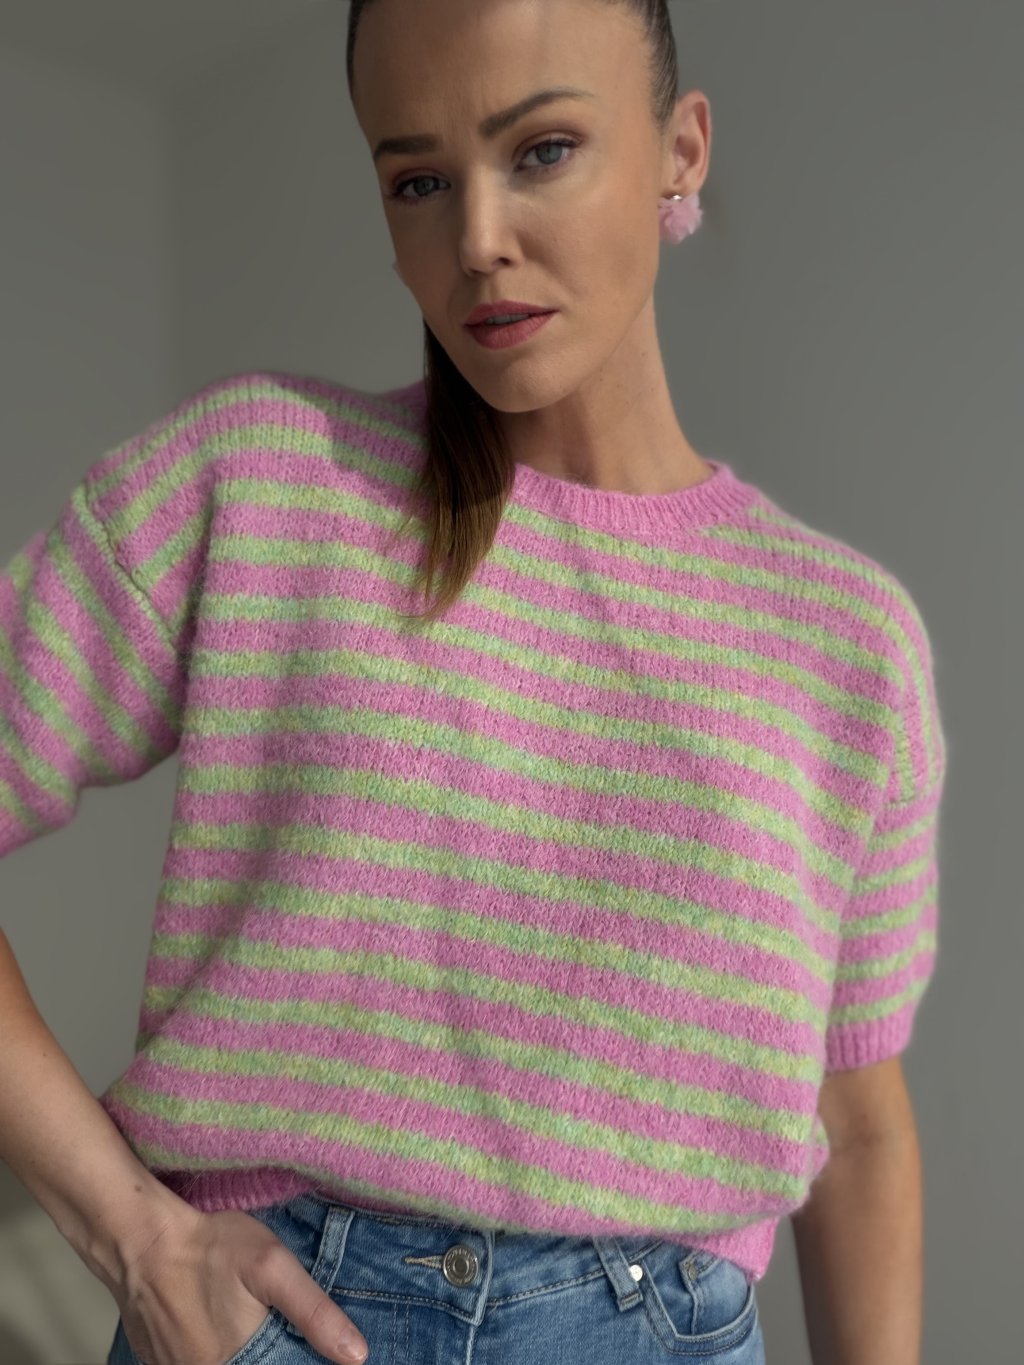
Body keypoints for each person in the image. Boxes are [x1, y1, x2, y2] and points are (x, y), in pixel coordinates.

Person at [0, 2, 946, 1363]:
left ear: (682, 151)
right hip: (275, 1326)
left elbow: (856, 1127)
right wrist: (130, 1233)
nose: (478, 237)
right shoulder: (262, 484)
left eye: (542, 149)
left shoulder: (846, 640)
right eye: (420, 181)